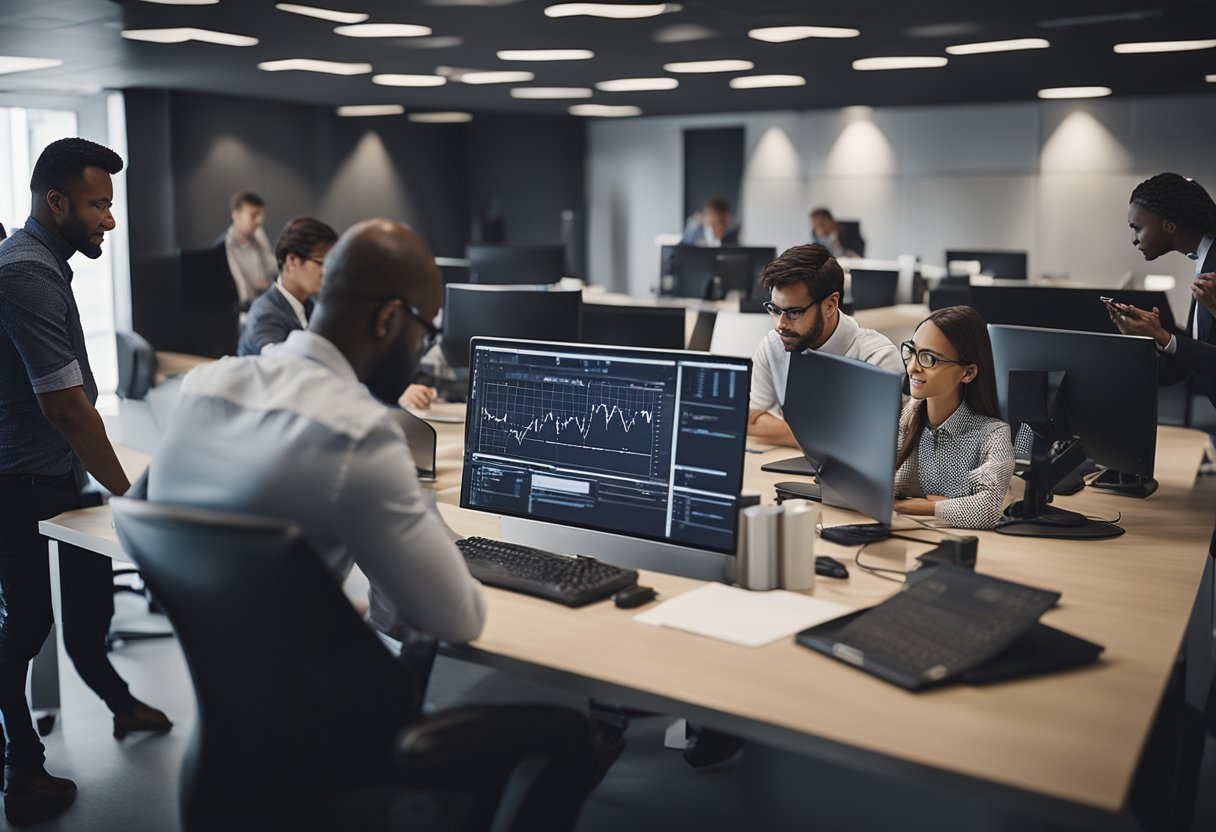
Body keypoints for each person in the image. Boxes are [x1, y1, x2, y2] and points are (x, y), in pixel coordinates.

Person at [134, 218, 486, 647]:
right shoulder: (359, 435)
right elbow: (457, 619)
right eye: (426, 331)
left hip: (222, 692)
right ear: (388, 318)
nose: (424, 348)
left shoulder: (202, 387)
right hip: (326, 705)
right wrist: (417, 498)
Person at [0, 138, 171, 825]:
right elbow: (65, 405)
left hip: (56, 473)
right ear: (57, 202)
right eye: (99, 204)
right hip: (19, 480)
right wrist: (131, 496)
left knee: (90, 600)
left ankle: (120, 704)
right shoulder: (27, 274)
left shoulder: (43, 263)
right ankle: (24, 772)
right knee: (28, 624)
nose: (109, 219)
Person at [748, 243, 904, 447]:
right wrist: (829, 436)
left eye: (794, 312)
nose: (780, 324)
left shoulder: (878, 359)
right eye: (775, 309)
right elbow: (752, 420)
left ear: (830, 305)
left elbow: (875, 442)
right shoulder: (773, 345)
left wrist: (787, 431)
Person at [893, 306, 1015, 529]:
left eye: (928, 358)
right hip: (909, 538)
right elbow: (874, 486)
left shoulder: (994, 433)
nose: (912, 367)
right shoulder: (904, 416)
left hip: (973, 548)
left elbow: (989, 510)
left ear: (967, 373)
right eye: (912, 351)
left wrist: (909, 505)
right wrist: (953, 504)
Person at [1107, 173, 1216, 407]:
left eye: (1137, 227)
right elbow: (1194, 359)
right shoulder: (1205, 260)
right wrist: (1154, 335)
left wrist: (1164, 337)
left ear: (1169, 224)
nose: (1133, 240)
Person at [237, 216, 337, 356]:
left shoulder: (310, 306)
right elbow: (283, 369)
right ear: (292, 262)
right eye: (321, 263)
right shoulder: (266, 315)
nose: (327, 272)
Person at [218, 191, 277, 306]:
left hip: (265, 303)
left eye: (260, 216)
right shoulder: (224, 247)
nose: (259, 221)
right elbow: (241, 292)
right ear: (236, 216)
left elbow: (272, 268)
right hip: (242, 310)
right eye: (253, 216)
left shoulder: (259, 235)